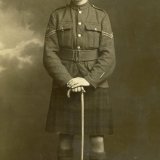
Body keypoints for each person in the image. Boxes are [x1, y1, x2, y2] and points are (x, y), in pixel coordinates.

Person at [43, 0, 116, 159]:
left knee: (97, 139)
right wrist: (67, 80)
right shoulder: (57, 15)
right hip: (65, 83)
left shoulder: (101, 16)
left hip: (95, 84)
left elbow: (109, 56)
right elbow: (49, 55)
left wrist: (89, 80)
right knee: (65, 138)